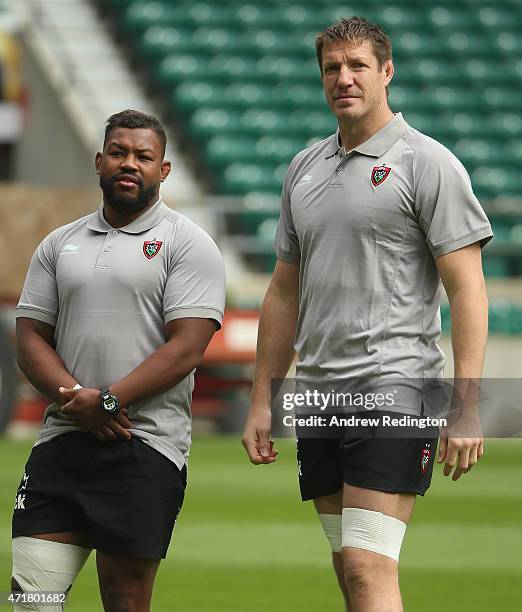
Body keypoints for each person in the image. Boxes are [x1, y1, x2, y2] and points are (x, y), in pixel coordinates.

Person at [242, 17, 492, 612]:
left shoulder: (427, 162)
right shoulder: (303, 168)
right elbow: (282, 293)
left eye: (357, 66)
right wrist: (261, 399)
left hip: (398, 385)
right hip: (320, 392)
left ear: (387, 71)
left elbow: (468, 289)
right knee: (348, 566)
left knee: (366, 563)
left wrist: (467, 404)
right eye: (332, 67)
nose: (343, 78)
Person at [11, 109, 226, 612]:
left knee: (125, 603)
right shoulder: (59, 243)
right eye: (119, 153)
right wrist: (78, 402)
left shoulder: (188, 244)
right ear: (99, 161)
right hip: (61, 441)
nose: (130, 164)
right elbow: (30, 337)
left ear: (163, 170)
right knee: (32, 603)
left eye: (143, 156)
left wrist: (108, 400)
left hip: (144, 447)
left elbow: (187, 347)